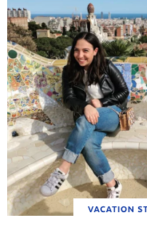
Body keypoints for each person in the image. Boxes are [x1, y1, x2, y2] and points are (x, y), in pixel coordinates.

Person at [40, 32, 129, 198]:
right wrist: (85, 106)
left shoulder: (106, 66)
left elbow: (124, 91)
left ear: (95, 51)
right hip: (89, 120)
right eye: (76, 50)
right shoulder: (69, 70)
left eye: (85, 50)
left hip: (112, 113)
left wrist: (102, 102)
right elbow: (69, 99)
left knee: (85, 119)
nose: (80, 55)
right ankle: (113, 185)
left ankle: (62, 170)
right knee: (88, 145)